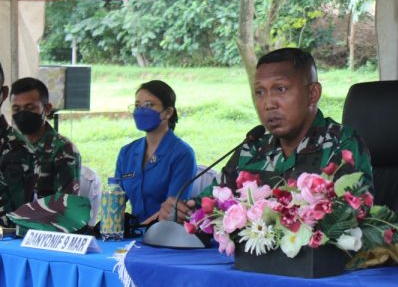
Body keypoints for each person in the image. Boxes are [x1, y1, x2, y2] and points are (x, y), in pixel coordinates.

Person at [159, 48, 373, 222]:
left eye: (280, 89)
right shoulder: (252, 147)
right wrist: (185, 211)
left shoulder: (340, 143)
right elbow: (213, 201)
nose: (268, 104)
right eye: (260, 92)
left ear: (312, 94)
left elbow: (350, 218)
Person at [0, 77, 80, 225]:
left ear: (47, 109)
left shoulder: (62, 149)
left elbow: (67, 207)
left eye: (30, 108)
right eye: (16, 109)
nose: (22, 114)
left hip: (41, 230)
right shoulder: (8, 145)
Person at [115, 80, 197, 224]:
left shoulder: (183, 154)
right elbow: (115, 199)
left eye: (149, 105)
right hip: (131, 233)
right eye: (137, 105)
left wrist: (140, 229)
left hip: (163, 233)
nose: (140, 111)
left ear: (168, 112)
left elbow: (172, 209)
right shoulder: (126, 153)